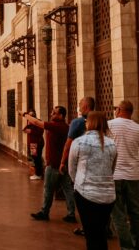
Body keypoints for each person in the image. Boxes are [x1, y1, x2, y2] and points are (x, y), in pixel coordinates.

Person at [69, 111, 117, 250]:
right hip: (108, 195)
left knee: (91, 234)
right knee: (101, 232)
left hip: (85, 194)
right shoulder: (111, 144)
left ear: (89, 123)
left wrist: (76, 183)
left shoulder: (79, 142)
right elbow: (111, 169)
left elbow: (72, 168)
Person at [21, 106, 76, 222]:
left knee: (48, 189)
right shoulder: (66, 127)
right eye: (52, 112)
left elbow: (36, 122)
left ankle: (44, 212)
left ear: (61, 116)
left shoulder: (57, 126)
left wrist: (24, 114)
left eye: (54, 113)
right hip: (63, 164)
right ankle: (71, 214)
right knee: (68, 189)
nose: (52, 114)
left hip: (54, 164)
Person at [59, 96, 96, 236]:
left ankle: (86, 228)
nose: (79, 107)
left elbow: (68, 145)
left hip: (83, 166)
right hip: (100, 166)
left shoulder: (77, 122)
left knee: (84, 199)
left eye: (80, 104)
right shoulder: (102, 120)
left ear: (86, 106)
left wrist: (63, 162)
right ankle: (105, 227)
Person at [108, 100, 139, 250]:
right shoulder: (137, 128)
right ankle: (135, 241)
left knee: (118, 213)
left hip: (115, 175)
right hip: (134, 175)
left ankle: (127, 247)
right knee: (135, 211)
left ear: (119, 109)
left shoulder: (110, 125)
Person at [23, 109, 44, 180]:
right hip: (32, 144)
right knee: (35, 158)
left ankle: (38, 174)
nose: (30, 117)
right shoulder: (30, 123)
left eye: (32, 115)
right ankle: (37, 173)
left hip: (37, 143)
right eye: (29, 115)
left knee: (37, 158)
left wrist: (31, 131)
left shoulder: (38, 122)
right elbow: (24, 129)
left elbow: (40, 132)